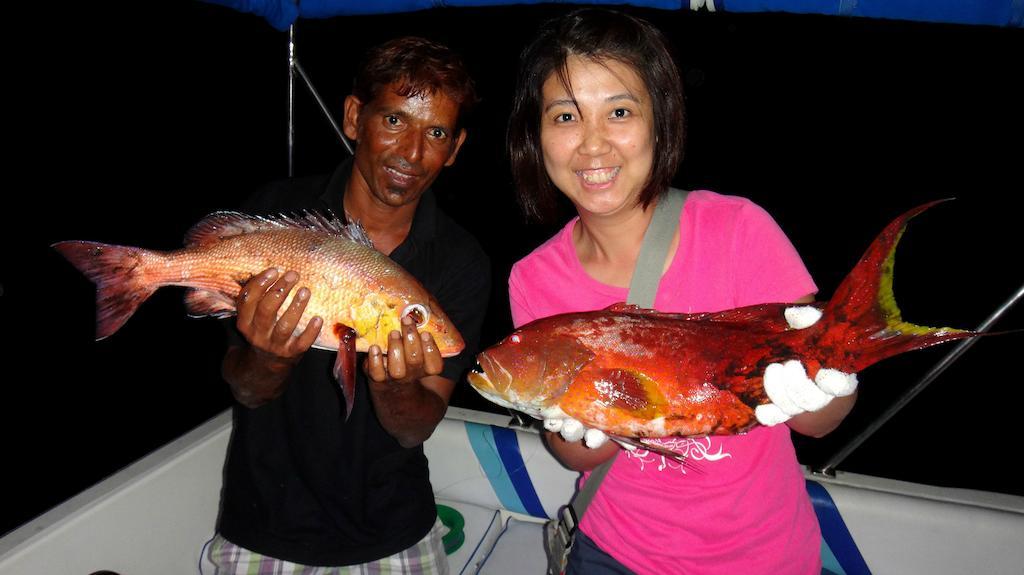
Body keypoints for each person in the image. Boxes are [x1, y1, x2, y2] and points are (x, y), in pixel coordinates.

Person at [506, 9, 857, 574]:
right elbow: (576, 454)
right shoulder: (533, 278)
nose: (593, 145)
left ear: (660, 121)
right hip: (612, 554)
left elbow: (820, 422)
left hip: (764, 559)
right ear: (536, 135)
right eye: (566, 115)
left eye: (619, 111)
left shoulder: (739, 230)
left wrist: (830, 382)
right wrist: (585, 422)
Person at [209, 36, 490, 573]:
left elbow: (414, 427)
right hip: (264, 524)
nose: (411, 152)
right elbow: (245, 389)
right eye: (393, 121)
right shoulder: (276, 214)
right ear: (355, 117)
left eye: (435, 133)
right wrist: (270, 356)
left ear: (454, 149)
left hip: (394, 528)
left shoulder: (461, 261)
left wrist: (394, 384)